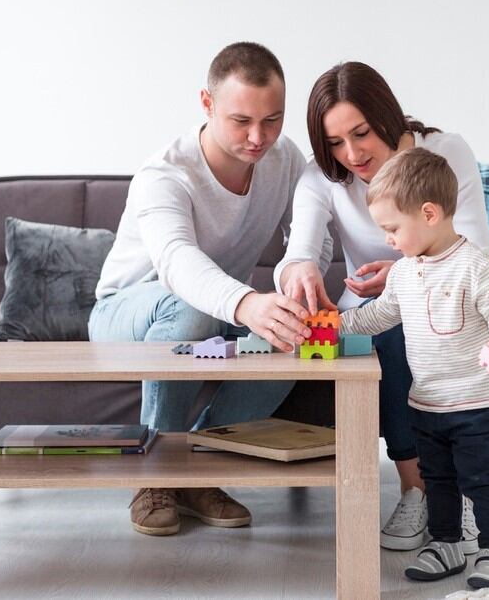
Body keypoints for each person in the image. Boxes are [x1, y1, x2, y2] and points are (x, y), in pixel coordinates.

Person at [90, 42, 332, 537]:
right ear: (207, 104)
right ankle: (155, 474)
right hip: (127, 312)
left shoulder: (284, 161)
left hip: (211, 310)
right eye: (241, 120)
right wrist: (247, 302)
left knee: (293, 338)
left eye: (272, 120)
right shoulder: (165, 174)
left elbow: (311, 237)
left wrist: (293, 280)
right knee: (188, 310)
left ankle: (200, 468)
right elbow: (178, 265)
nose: (258, 137)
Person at [274, 61, 489, 552]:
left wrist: (404, 275)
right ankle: (420, 488)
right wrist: (300, 272)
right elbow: (297, 255)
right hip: (377, 314)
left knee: (405, 320)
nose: (351, 154)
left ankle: (461, 487)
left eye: (362, 133)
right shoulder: (323, 179)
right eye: (334, 142)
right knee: (385, 333)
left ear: (386, 116)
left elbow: (476, 251)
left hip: (452, 301)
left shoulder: (445, 153)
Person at [341, 147, 489, 588]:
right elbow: (378, 315)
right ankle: (445, 543)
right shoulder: (406, 271)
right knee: (438, 479)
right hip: (427, 402)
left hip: (477, 401)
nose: (388, 239)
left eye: (392, 228)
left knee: (479, 478)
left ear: (429, 213)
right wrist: (332, 327)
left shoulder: (474, 265)